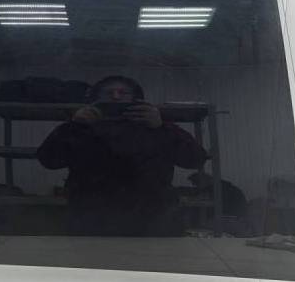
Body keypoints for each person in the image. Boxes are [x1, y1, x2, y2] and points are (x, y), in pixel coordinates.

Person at [36, 76, 208, 236]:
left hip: (152, 220)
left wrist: (161, 127)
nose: (116, 97)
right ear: (95, 99)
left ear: (137, 99)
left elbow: (195, 159)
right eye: (108, 93)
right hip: (92, 219)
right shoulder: (82, 129)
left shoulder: (156, 127)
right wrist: (74, 126)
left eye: (123, 93)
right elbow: (48, 159)